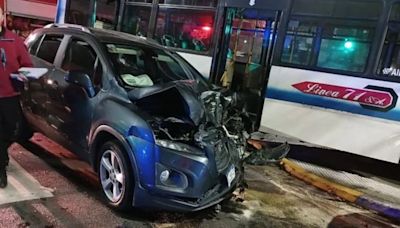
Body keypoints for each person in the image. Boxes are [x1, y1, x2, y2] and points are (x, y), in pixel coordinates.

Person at [0, 7, 33, 188]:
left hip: (10, 94)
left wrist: (23, 76)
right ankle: (1, 169)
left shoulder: (14, 40)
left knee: (14, 129)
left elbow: (27, 64)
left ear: (2, 18)